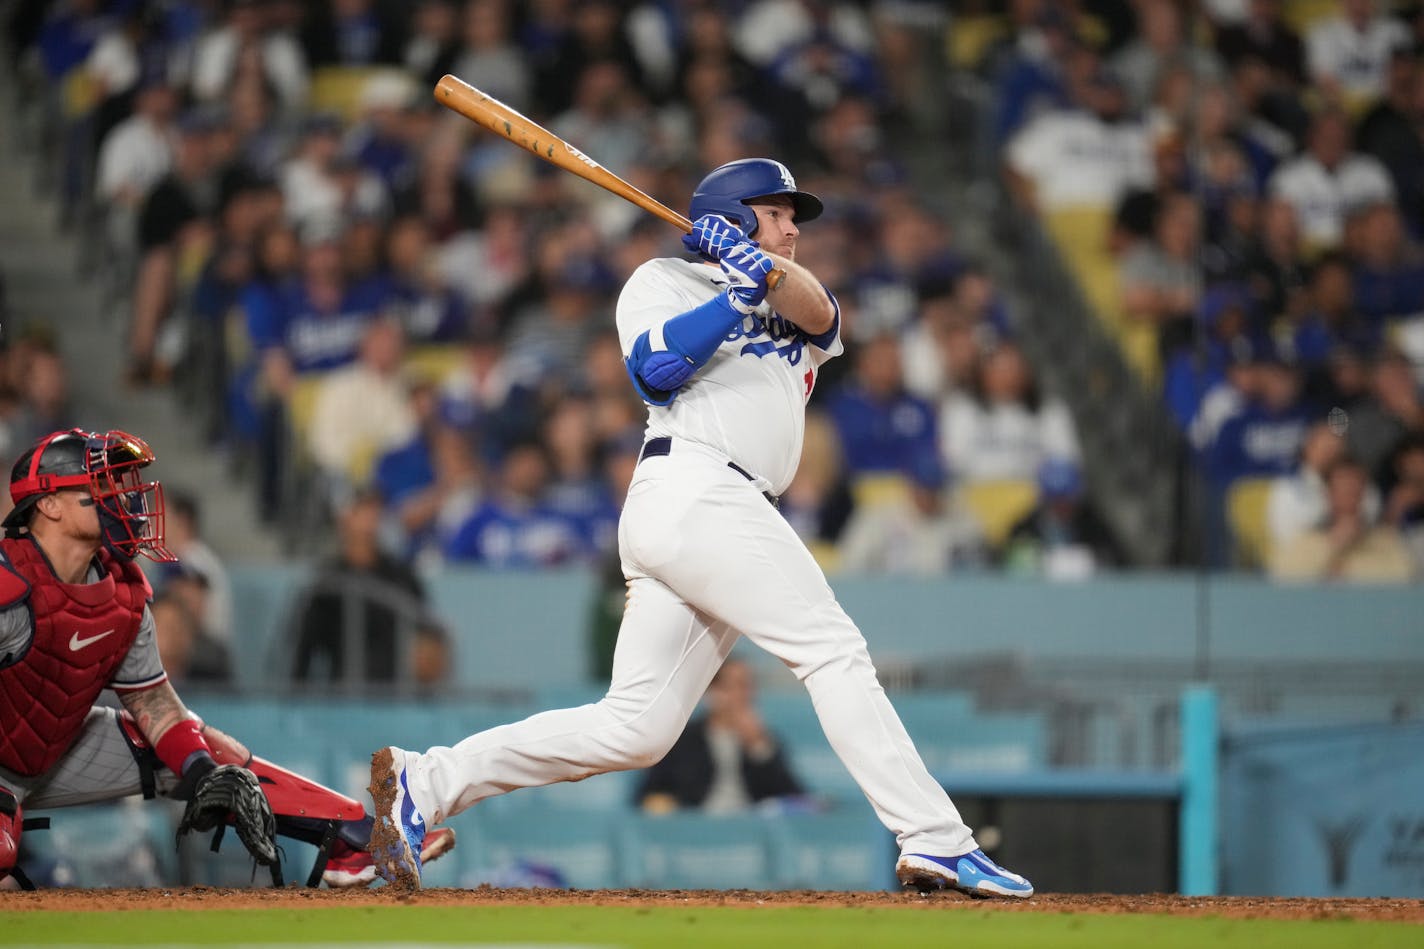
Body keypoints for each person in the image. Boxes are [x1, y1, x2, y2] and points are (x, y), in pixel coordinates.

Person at [367, 158, 1034, 899]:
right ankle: (936, 838)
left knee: (635, 728)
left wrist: (761, 274)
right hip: (694, 485)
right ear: (734, 213)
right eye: (777, 213)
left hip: (718, 508)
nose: (793, 228)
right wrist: (731, 296)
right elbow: (654, 371)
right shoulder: (661, 281)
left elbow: (822, 312)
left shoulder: (793, 296)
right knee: (832, 649)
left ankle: (427, 780)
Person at [0, 429, 452, 889]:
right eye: (99, 485)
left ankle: (353, 840)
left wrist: (200, 774)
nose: (121, 497)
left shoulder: (122, 592)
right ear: (49, 505)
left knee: (206, 750)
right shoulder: (7, 582)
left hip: (56, 750)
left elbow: (155, 705)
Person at [636, 658, 807, 814]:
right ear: (713, 692)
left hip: (750, 831)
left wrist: (758, 748)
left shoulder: (765, 740)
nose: (745, 695)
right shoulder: (681, 739)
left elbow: (791, 797)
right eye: (737, 686)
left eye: (749, 686)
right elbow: (651, 793)